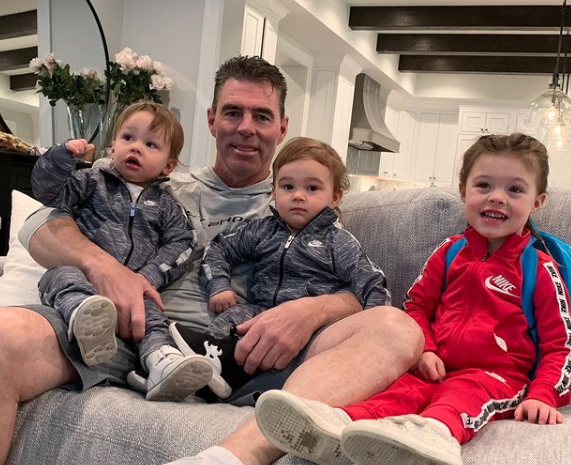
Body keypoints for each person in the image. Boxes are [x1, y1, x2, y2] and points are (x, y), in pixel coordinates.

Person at [0, 55, 423, 465]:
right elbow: (37, 226)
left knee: (397, 329)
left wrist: (312, 311)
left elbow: (358, 286)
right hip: (129, 335)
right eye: (233, 112)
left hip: (246, 356)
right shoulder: (158, 180)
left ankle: (230, 457)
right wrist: (110, 271)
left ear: (281, 127)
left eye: (261, 116)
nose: (245, 128)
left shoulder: (303, 199)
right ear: (211, 119)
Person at [253, 133, 571, 465]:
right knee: (397, 391)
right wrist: (427, 349)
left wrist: (543, 395)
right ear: (463, 191)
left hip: (498, 377)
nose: (496, 198)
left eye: (515, 190)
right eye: (483, 186)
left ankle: (433, 437)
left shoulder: (540, 267)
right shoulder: (449, 253)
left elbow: (559, 346)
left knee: (460, 397)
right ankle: (340, 428)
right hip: (435, 367)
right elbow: (416, 307)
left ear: (537, 202)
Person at [174, 136, 390, 401]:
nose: (298, 196)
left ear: (335, 197)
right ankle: (200, 370)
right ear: (274, 192)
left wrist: (367, 332)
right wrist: (219, 284)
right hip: (259, 311)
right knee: (228, 322)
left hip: (312, 327)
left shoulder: (339, 242)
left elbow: (371, 282)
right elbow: (219, 248)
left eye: (312, 188)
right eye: (288, 186)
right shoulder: (262, 230)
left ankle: (231, 379)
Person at [31, 101, 213, 402]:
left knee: (153, 315)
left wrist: (147, 278)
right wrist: (62, 157)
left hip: (135, 292)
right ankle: (86, 320)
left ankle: (161, 363)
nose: (136, 148)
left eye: (150, 144)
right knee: (60, 275)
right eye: (128, 138)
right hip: (84, 279)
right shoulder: (91, 182)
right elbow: (47, 192)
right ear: (113, 146)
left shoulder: (167, 206)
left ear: (168, 165)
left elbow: (185, 243)